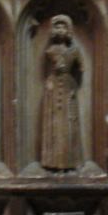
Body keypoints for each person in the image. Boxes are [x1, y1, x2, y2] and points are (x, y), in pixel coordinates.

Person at [40, 14, 83, 170]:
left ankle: (70, 162)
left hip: (68, 87)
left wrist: (74, 85)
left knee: (68, 124)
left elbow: (81, 69)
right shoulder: (50, 51)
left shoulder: (75, 51)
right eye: (57, 26)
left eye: (63, 27)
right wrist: (51, 81)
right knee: (54, 125)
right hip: (53, 88)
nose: (60, 30)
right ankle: (53, 163)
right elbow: (46, 72)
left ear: (68, 30)